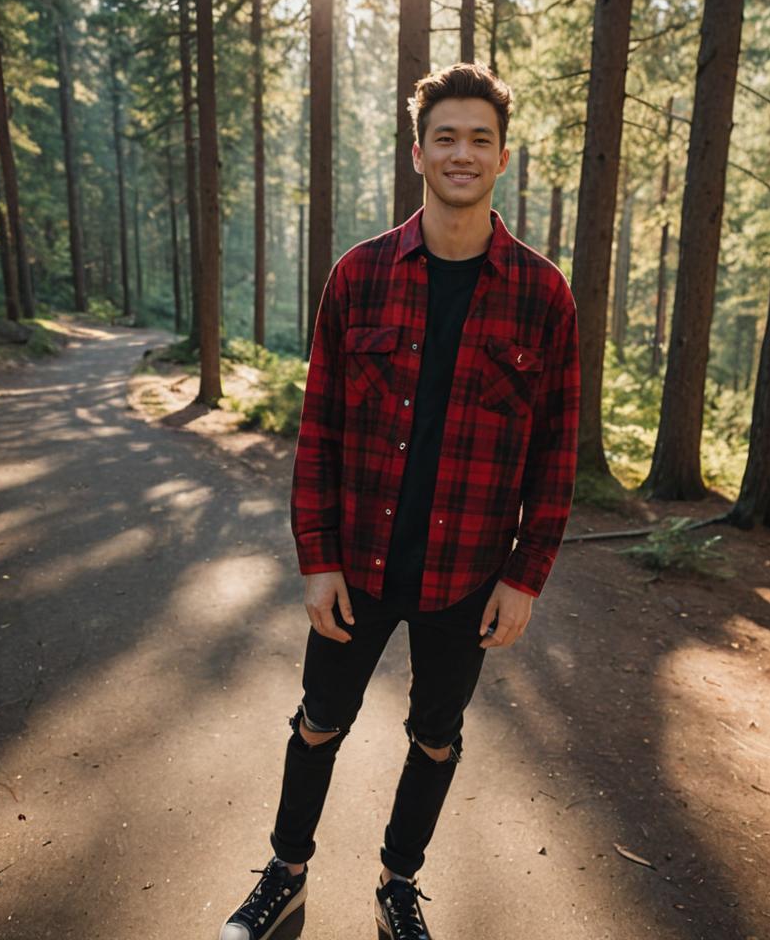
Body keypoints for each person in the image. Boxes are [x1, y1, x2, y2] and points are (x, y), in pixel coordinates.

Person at [218, 61, 580, 940]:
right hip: (360, 567)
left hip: (468, 577)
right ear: (419, 150)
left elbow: (556, 453)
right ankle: (287, 873)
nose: (462, 153)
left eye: (480, 140)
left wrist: (525, 578)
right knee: (318, 723)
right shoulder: (361, 276)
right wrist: (317, 560)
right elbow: (320, 433)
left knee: (435, 738)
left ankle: (397, 884)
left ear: (503, 158)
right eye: (445, 137)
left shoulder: (543, 296)